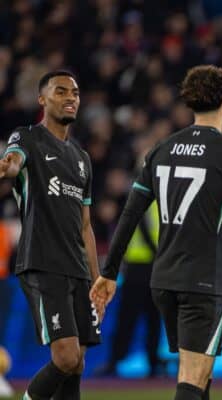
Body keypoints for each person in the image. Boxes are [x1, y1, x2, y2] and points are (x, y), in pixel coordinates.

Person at [90, 65, 222, 400]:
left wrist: (109, 271)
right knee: (191, 378)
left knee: (199, 378)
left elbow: (129, 214)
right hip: (203, 279)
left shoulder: (159, 150)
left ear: (189, 102)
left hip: (163, 279)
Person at [0, 70, 102, 400]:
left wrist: (97, 279)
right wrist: (9, 166)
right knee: (66, 357)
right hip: (43, 262)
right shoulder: (27, 138)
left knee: (78, 364)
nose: (70, 97)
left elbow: (85, 225)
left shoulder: (82, 160)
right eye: (61, 91)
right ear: (42, 99)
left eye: (74, 92)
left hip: (79, 270)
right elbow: (14, 163)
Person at [94, 201, 164, 377]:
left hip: (148, 266)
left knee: (150, 319)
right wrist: (161, 256)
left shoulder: (154, 198)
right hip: (140, 266)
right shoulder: (151, 198)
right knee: (132, 318)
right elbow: (144, 228)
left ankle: (150, 362)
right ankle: (118, 361)